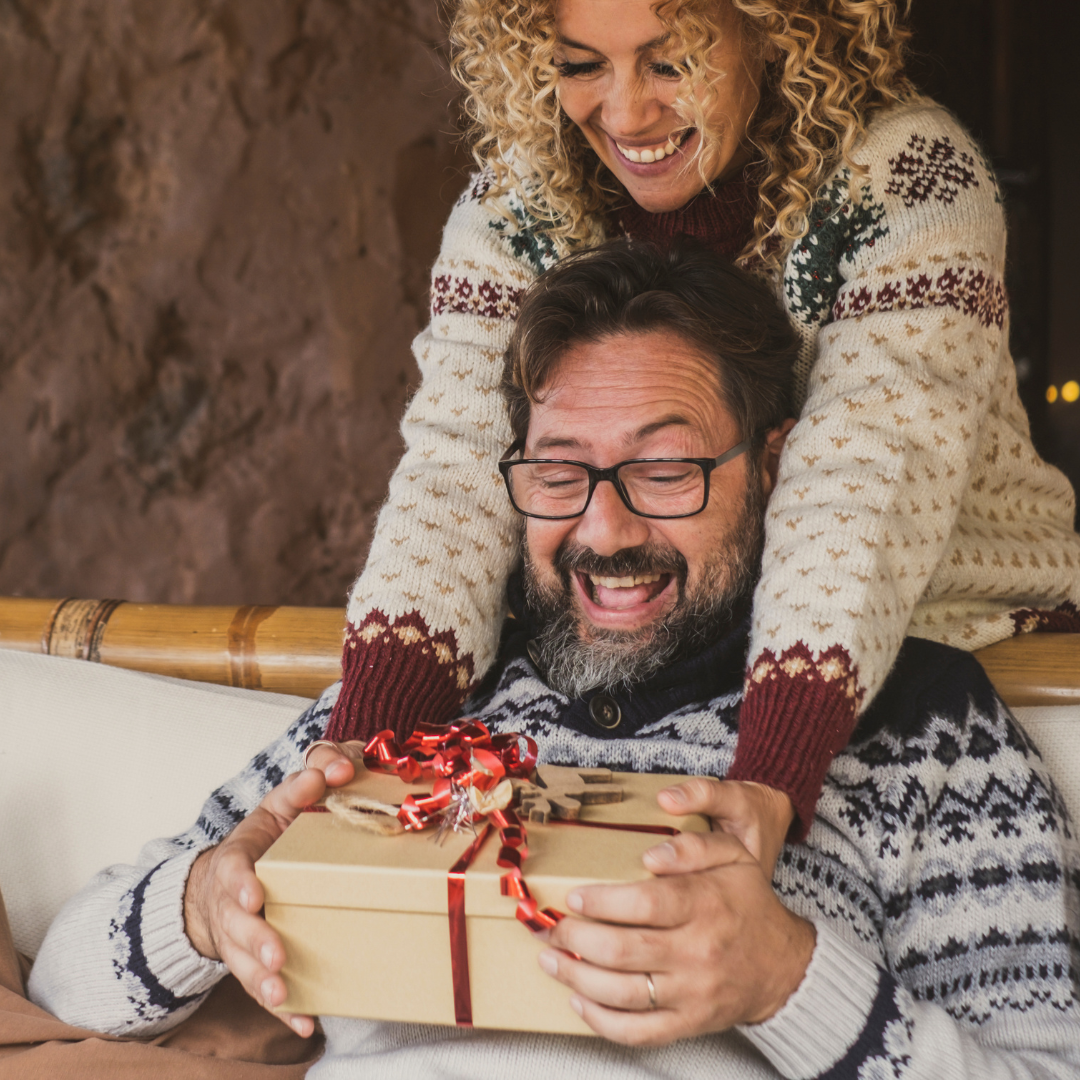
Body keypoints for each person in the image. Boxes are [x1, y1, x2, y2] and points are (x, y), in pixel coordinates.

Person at [29, 242, 1080, 1078]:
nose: (603, 529)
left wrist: (787, 982)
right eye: (559, 472)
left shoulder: (918, 724)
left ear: (774, 469)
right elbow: (65, 984)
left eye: (665, 470)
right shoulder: (424, 702)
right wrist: (201, 910)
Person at [321, 0, 1080, 870]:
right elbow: (457, 470)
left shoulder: (911, 177)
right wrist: (360, 753)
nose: (626, 112)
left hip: (941, 640)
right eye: (580, 66)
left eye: (671, 61)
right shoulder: (516, 200)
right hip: (678, 656)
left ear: (777, 25)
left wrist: (768, 782)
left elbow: (863, 483)